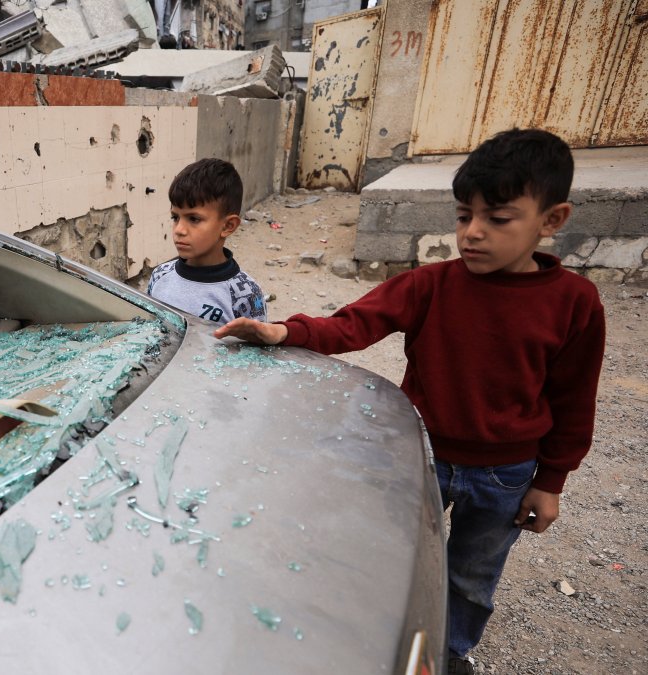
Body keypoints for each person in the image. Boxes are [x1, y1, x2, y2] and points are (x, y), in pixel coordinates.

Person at [214, 128, 605, 675]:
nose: (472, 233)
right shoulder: (430, 285)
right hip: (420, 458)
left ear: (552, 220)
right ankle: (367, 646)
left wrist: (551, 481)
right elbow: (353, 324)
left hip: (506, 475)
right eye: (463, 215)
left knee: (470, 577)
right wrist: (284, 331)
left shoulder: (574, 304)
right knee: (386, 562)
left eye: (497, 218)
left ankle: (446, 656)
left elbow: (573, 397)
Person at [147, 158, 268, 326]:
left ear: (228, 225)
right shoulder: (160, 275)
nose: (179, 230)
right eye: (175, 217)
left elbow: (255, 349)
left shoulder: (245, 293)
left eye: (194, 219)